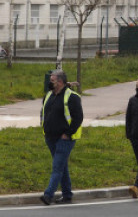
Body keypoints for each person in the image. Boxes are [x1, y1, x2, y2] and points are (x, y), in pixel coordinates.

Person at [39, 70, 83, 205]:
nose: (49, 83)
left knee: (57, 166)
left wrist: (68, 134)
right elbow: (44, 111)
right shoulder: (49, 95)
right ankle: (67, 195)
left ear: (60, 82)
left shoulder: (72, 97)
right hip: (50, 136)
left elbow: (78, 118)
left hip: (64, 138)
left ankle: (48, 195)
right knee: (62, 166)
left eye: (52, 80)